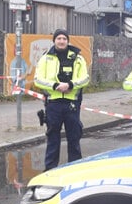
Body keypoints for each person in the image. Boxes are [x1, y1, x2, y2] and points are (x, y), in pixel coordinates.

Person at [34, 29, 90, 170]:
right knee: (53, 138)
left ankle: (75, 169)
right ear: (54, 41)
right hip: (53, 103)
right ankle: (50, 170)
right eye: (58, 38)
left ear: (67, 41)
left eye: (64, 38)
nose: (61, 41)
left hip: (72, 103)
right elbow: (38, 80)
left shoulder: (78, 58)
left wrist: (70, 85)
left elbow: (85, 79)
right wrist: (55, 86)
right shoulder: (46, 58)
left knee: (74, 138)